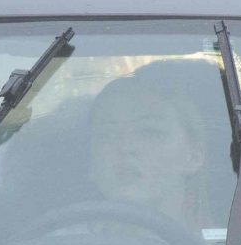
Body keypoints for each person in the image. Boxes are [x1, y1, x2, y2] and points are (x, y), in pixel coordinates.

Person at [84, 60, 227, 235]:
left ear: (194, 156)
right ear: (91, 163)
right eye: (107, 134)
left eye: (149, 132)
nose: (125, 147)